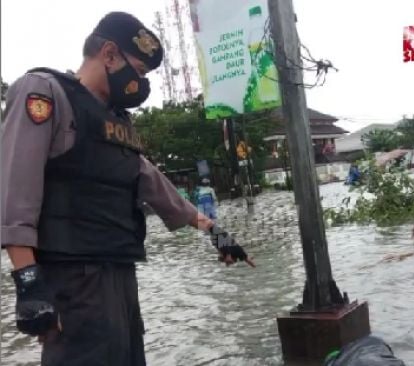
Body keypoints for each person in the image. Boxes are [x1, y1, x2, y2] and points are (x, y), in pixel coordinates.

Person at [0, 12, 254, 366]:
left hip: (119, 269)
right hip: (74, 277)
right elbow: (16, 191)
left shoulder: (116, 120)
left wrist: (214, 231)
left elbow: (149, 180)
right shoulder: (44, 91)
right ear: (108, 54)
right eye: (139, 70)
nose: (141, 83)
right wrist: (28, 284)